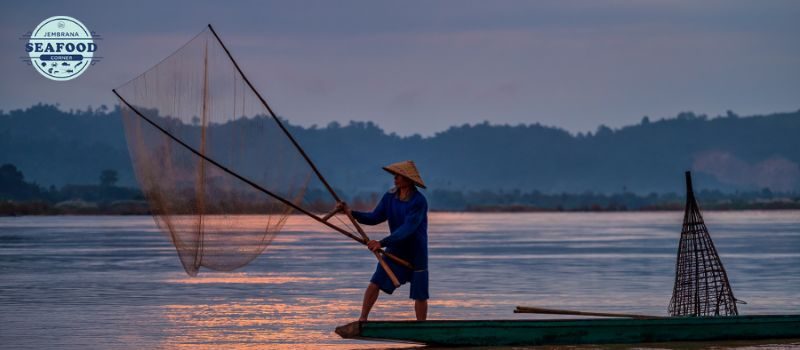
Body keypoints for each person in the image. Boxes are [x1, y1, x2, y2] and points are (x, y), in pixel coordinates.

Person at [337, 160, 429, 322]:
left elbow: (407, 229)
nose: (395, 178)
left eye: (399, 176)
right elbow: (374, 217)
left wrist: (382, 242)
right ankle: (362, 319)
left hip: (416, 250)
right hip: (396, 247)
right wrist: (351, 213)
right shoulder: (390, 197)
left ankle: (422, 327)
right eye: (395, 175)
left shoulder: (418, 202)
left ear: (408, 180)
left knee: (419, 293)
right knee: (376, 282)